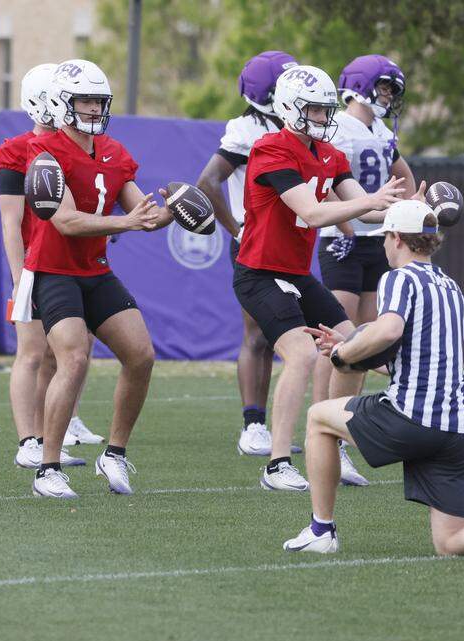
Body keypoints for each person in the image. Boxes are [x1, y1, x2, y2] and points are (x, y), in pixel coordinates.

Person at [285, 201, 464, 564]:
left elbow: (388, 330)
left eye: (385, 238)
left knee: (317, 418)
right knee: (451, 540)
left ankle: (320, 531)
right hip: (458, 432)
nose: (383, 246)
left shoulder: (398, 278)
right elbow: (413, 361)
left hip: (412, 418)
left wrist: (343, 355)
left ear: (396, 238)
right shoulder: (452, 287)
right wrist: (348, 347)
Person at [233, 64, 410, 492]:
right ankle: (277, 463)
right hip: (259, 273)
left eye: (324, 109)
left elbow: (365, 210)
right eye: (313, 110)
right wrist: (371, 200)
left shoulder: (330, 155)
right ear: (291, 109)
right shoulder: (270, 149)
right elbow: (311, 213)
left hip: (296, 273)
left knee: (358, 349)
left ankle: (331, 444)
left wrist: (406, 209)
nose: (322, 117)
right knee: (303, 355)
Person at [9, 59, 164, 499]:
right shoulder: (45, 155)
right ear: (63, 103)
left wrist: (179, 209)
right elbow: (68, 222)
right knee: (73, 358)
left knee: (141, 355)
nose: (94, 108)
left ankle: (114, 454)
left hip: (95, 272)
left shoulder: (114, 151)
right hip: (53, 272)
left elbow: (142, 213)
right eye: (85, 100)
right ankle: (48, 468)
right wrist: (129, 223)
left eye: (99, 100)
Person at [197, 50, 296, 458]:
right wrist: (238, 228)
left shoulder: (297, 128)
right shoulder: (246, 131)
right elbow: (207, 181)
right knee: (258, 335)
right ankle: (253, 425)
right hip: (255, 244)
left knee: (281, 336)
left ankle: (275, 425)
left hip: (291, 244)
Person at [0, 63, 95, 472]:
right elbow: (10, 219)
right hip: (35, 263)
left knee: (61, 356)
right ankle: (27, 441)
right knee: (32, 353)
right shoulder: (16, 150)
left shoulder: (73, 146)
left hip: (66, 263)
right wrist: (21, 277)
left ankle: (45, 435)